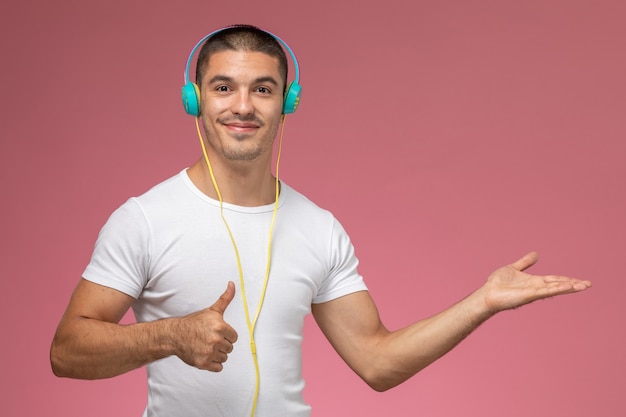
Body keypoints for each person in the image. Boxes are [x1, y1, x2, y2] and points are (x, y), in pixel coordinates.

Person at [50, 25, 591, 417]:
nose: (243, 106)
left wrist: (483, 301)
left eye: (263, 88)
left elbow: (377, 362)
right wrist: (170, 335)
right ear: (195, 99)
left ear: (288, 101)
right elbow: (67, 351)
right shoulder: (145, 218)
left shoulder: (318, 227)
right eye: (223, 87)